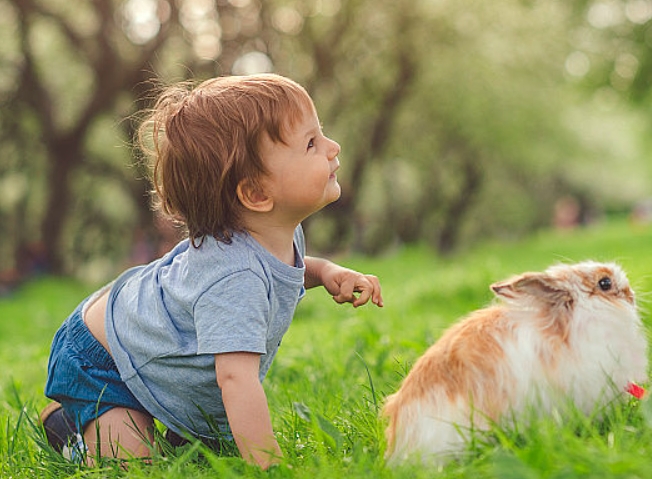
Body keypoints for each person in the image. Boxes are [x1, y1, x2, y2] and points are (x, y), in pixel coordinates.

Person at [40, 74, 383, 469]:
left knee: (193, 447)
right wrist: (268, 465)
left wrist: (325, 273)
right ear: (256, 194)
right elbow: (235, 380)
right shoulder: (232, 278)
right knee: (136, 465)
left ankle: (150, 417)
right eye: (311, 143)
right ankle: (69, 429)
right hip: (101, 359)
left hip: (139, 341)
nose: (332, 147)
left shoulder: (277, 234)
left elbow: (284, 271)